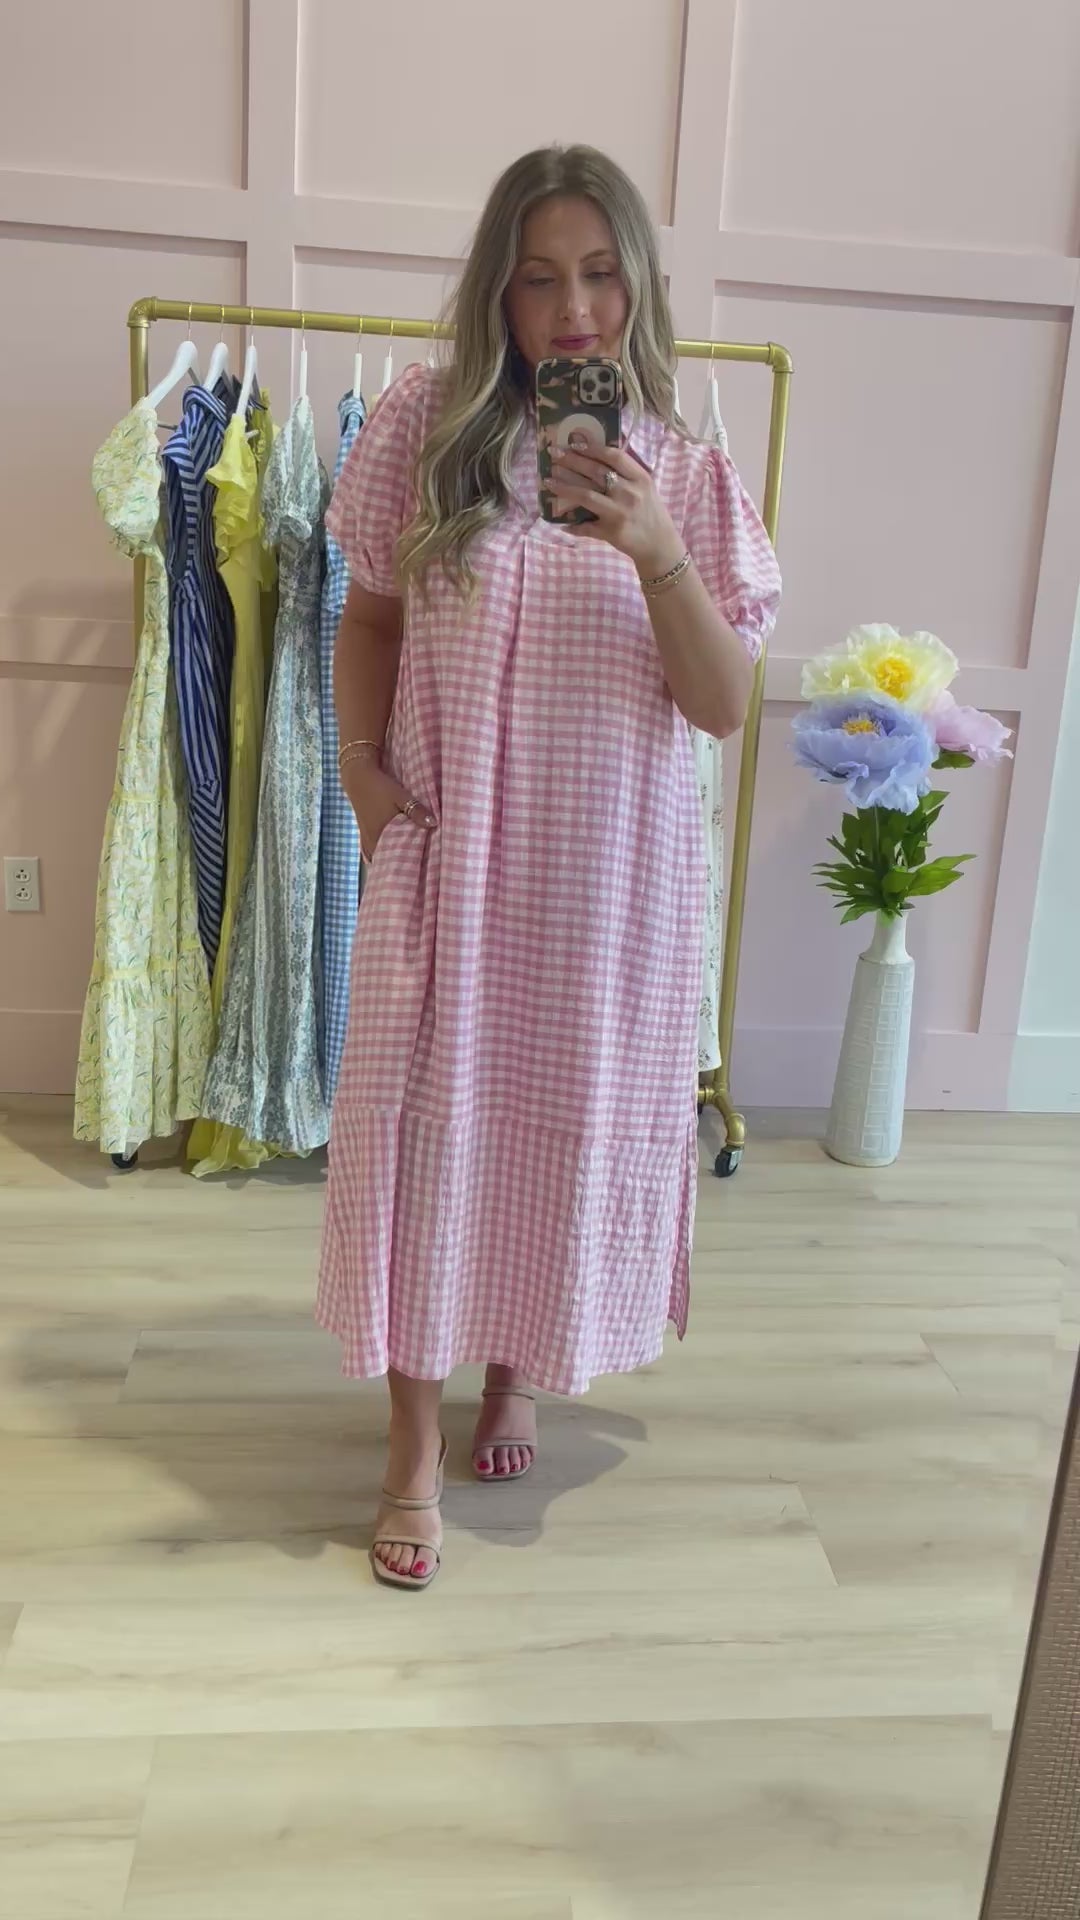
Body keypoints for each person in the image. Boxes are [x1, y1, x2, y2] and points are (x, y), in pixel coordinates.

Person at [318, 144, 781, 1590]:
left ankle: (515, 1372)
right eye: (537, 278)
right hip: (448, 861)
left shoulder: (686, 471)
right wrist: (361, 777)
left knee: (550, 1127)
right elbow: (368, 616)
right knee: (421, 1136)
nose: (572, 309)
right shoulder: (423, 427)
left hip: (605, 887)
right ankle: (409, 1450)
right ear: (498, 295)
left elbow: (722, 705)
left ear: (637, 284)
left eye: (597, 273)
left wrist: (653, 547)